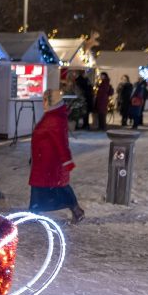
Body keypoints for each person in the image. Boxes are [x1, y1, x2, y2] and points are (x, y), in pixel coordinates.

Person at [28, 89, 85, 224]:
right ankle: (34, 212)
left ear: (51, 101)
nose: (43, 102)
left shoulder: (53, 118)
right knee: (47, 187)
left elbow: (61, 141)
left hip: (49, 163)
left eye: (45, 99)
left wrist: (67, 160)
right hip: (45, 161)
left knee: (57, 187)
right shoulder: (53, 115)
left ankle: (76, 210)